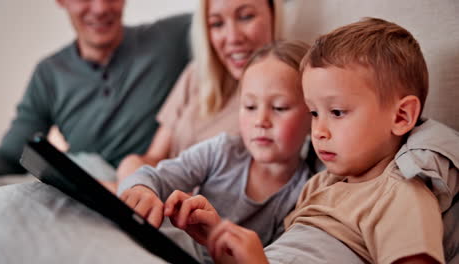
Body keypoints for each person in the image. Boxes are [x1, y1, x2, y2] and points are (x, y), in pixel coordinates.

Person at [205, 18, 455, 264]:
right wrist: (217, 239)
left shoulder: (400, 195)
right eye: (314, 113)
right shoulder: (319, 185)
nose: (319, 131)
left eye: (337, 112)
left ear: (401, 116)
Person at [117, 40, 312, 263]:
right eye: (249, 107)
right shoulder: (222, 150)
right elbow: (155, 176)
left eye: (279, 107)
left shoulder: (304, 195)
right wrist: (142, 189)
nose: (260, 121)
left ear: (312, 115)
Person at [0, 0, 190, 177]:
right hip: (90, 194)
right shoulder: (49, 75)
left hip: (155, 189)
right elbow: (12, 155)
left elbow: (219, 16)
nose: (100, 8)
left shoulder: (171, 39)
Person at [115, 0, 284, 182]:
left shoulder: (291, 90)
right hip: (157, 193)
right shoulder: (197, 74)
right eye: (217, 24)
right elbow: (155, 157)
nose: (233, 37)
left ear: (273, 15)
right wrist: (133, 168)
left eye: (246, 17)